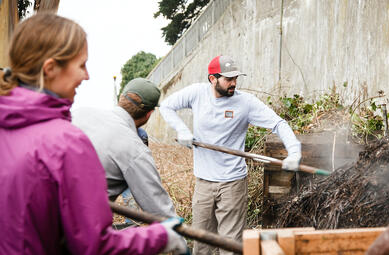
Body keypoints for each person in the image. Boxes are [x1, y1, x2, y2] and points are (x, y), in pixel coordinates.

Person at [0, 13, 187, 255]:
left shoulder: (11, 125)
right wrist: (162, 235)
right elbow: (94, 246)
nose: (86, 75)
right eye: (81, 65)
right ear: (51, 69)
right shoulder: (67, 142)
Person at [159, 55, 302, 254]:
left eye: (236, 78)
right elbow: (166, 106)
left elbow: (279, 123)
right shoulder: (196, 94)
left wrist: (294, 151)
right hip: (204, 183)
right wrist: (181, 130)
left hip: (233, 183)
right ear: (212, 79)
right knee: (201, 243)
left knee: (230, 245)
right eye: (228, 79)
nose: (233, 83)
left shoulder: (245, 103)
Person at [72, 78, 179, 221]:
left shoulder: (79, 113)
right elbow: (161, 213)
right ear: (148, 114)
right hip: (75, 229)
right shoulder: (136, 149)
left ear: (121, 98)